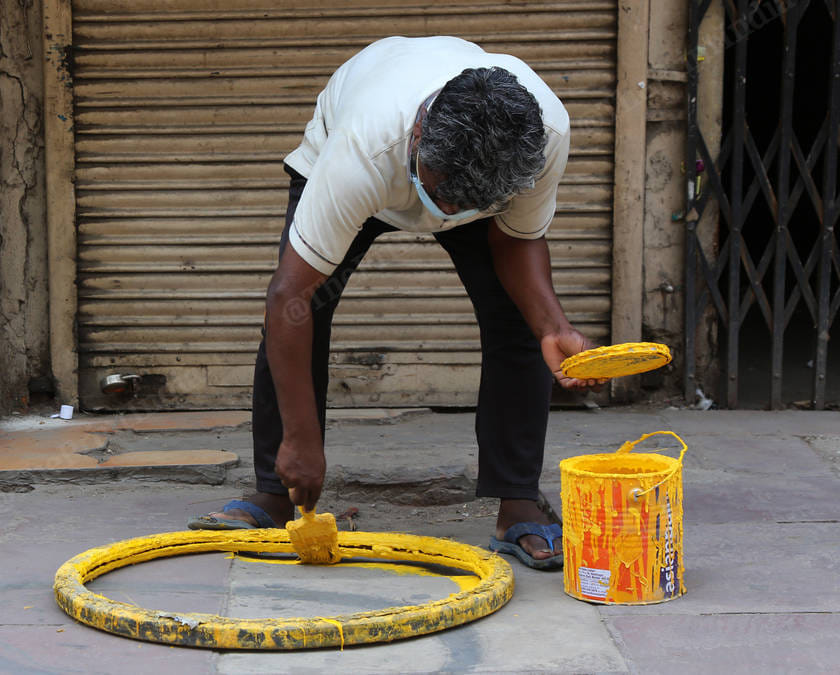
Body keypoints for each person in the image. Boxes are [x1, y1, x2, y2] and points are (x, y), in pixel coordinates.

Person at [187, 36, 606, 570]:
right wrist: (302, 440)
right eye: (444, 196)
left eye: (466, 205)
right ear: (417, 133)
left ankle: (518, 497)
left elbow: (515, 239)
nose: (449, 213)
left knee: (517, 318)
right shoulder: (360, 151)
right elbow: (289, 296)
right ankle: (275, 488)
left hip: (463, 173)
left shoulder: (542, 136)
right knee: (302, 314)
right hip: (371, 165)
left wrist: (554, 326)